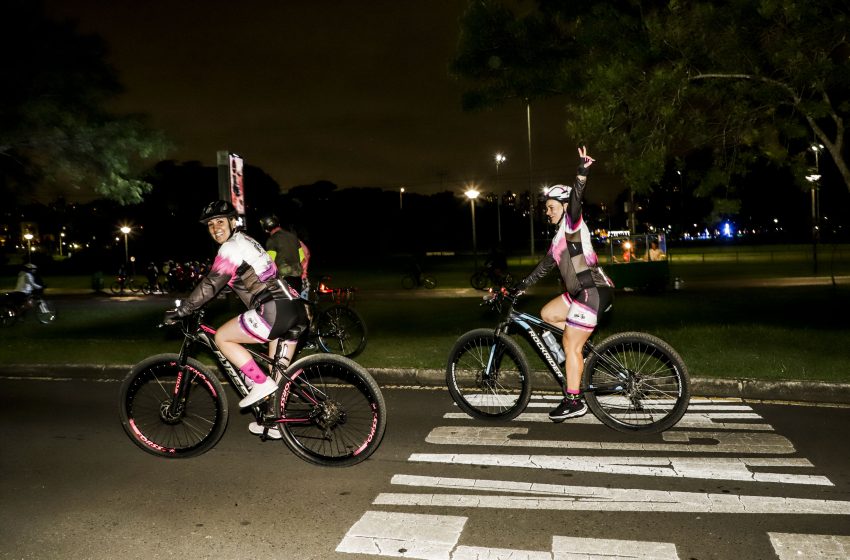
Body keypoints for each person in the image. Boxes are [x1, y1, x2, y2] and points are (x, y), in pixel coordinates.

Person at [164, 201, 308, 437]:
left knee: (222, 337)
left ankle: (259, 384)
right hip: (293, 307)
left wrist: (185, 309)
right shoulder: (248, 241)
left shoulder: (230, 247)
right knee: (276, 377)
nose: (215, 228)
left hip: (272, 309)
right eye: (210, 224)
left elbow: (212, 283)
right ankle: (273, 423)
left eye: (220, 221)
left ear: (233, 222)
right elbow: (241, 279)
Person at [513, 146, 614, 422]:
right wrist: (519, 286)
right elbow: (545, 265)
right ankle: (576, 356)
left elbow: (577, 200)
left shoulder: (572, 224)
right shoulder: (559, 237)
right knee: (547, 315)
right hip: (578, 293)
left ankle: (574, 400)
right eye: (546, 208)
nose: (547, 212)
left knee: (570, 345)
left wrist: (581, 173)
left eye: (551, 207)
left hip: (591, 291)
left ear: (564, 206)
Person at [259, 215, 304, 292]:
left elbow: (270, 262)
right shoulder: (293, 237)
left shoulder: (272, 240)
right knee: (296, 302)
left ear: (266, 230)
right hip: (297, 279)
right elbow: (302, 258)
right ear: (278, 224)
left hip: (283, 280)